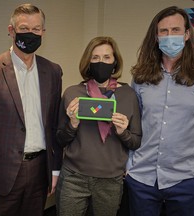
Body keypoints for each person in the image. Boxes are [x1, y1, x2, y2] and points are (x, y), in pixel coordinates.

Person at [127, 6, 194, 216]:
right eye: (163, 31)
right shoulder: (140, 77)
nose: (169, 36)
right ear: (155, 37)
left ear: (187, 34)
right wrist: (128, 165)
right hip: (142, 179)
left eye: (175, 30)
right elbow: (131, 124)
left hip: (187, 181)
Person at [0, 4, 63, 216]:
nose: (31, 33)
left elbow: (53, 125)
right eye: (24, 28)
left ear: (43, 32)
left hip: (39, 172)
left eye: (36, 29)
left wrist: (54, 169)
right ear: (11, 30)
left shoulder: (52, 71)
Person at [55, 36, 142, 216]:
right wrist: (73, 123)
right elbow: (60, 139)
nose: (100, 62)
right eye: (95, 58)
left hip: (111, 180)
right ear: (88, 61)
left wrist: (122, 132)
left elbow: (135, 142)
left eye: (106, 57)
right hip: (73, 177)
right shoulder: (73, 93)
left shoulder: (128, 95)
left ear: (115, 61)